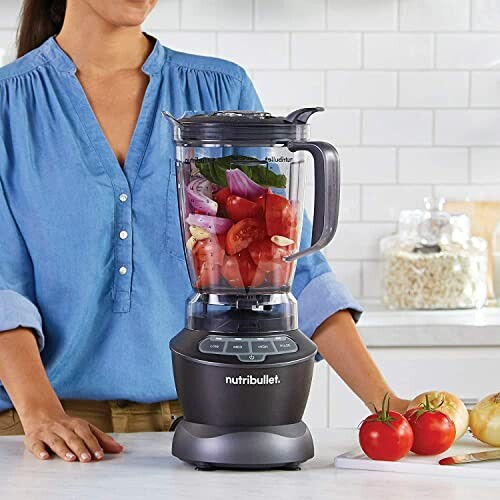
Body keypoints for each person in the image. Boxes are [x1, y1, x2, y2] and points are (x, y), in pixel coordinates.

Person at [0, 0, 409, 463]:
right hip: (42, 434)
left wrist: (386, 406)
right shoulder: (7, 105)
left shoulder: (220, 89)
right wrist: (40, 414)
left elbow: (291, 265)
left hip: (201, 425)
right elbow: (2, 286)